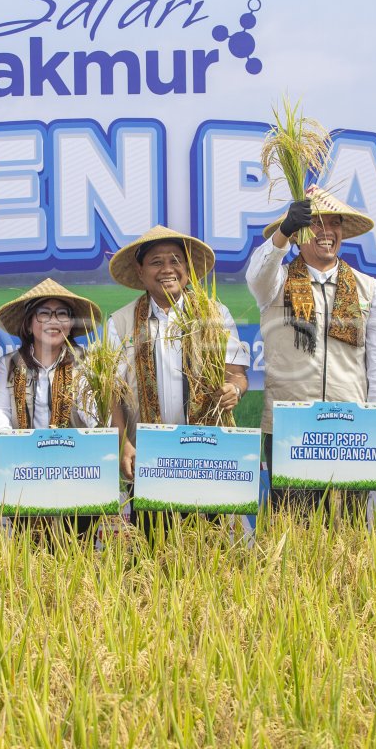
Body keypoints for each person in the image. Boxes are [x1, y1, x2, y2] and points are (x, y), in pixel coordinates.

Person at [245, 187, 376, 517]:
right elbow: (256, 275)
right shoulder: (277, 281)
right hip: (291, 429)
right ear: (300, 232)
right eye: (317, 223)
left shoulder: (369, 289)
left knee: (351, 532)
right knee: (295, 534)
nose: (328, 231)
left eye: (335, 223)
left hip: (353, 432)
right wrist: (283, 231)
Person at [105, 225, 250, 527]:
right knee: (153, 549)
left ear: (187, 269)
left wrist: (233, 390)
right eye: (156, 262)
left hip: (207, 454)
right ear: (141, 271)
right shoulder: (120, 322)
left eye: (175, 260)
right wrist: (123, 444)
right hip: (148, 458)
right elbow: (112, 393)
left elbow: (237, 376)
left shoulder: (214, 314)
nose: (167, 269)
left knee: (209, 549)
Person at [0, 278, 103, 538]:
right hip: (25, 469)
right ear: (29, 323)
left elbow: (93, 412)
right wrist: (16, 445)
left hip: (77, 469)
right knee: (27, 551)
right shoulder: (10, 364)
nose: (54, 320)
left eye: (62, 314)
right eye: (44, 313)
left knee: (75, 545)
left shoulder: (87, 361)